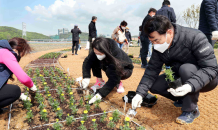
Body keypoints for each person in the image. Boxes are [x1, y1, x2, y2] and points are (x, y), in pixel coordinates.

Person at [131, 15, 218, 125]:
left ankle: (191, 109)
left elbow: (211, 68)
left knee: (186, 69)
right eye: (152, 42)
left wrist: (189, 86)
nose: (155, 45)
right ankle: (183, 98)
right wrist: (139, 94)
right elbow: (151, 71)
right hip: (181, 77)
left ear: (170, 33)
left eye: (156, 40)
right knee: (154, 85)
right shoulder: (159, 47)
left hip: (206, 79)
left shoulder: (195, 37)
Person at [81, 37, 134, 104]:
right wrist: (86, 77)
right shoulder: (98, 47)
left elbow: (114, 77)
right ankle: (100, 81)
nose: (97, 55)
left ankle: (118, 83)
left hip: (125, 70)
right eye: (95, 53)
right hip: (110, 65)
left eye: (99, 54)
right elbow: (87, 61)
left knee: (111, 72)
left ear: (105, 50)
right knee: (94, 61)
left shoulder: (116, 53)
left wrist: (100, 94)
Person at [0, 38, 37, 114]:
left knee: (12, 91)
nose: (22, 56)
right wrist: (32, 86)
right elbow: (24, 78)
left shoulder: (1, 50)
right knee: (15, 91)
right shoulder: (6, 53)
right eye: (23, 53)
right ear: (17, 49)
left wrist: (20, 95)